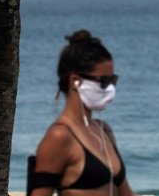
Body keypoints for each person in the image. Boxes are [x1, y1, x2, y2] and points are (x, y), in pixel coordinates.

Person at [29, 30, 135, 196]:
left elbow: (126, 194)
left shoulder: (103, 131)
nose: (110, 88)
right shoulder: (60, 136)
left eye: (113, 80)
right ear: (75, 81)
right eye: (104, 81)